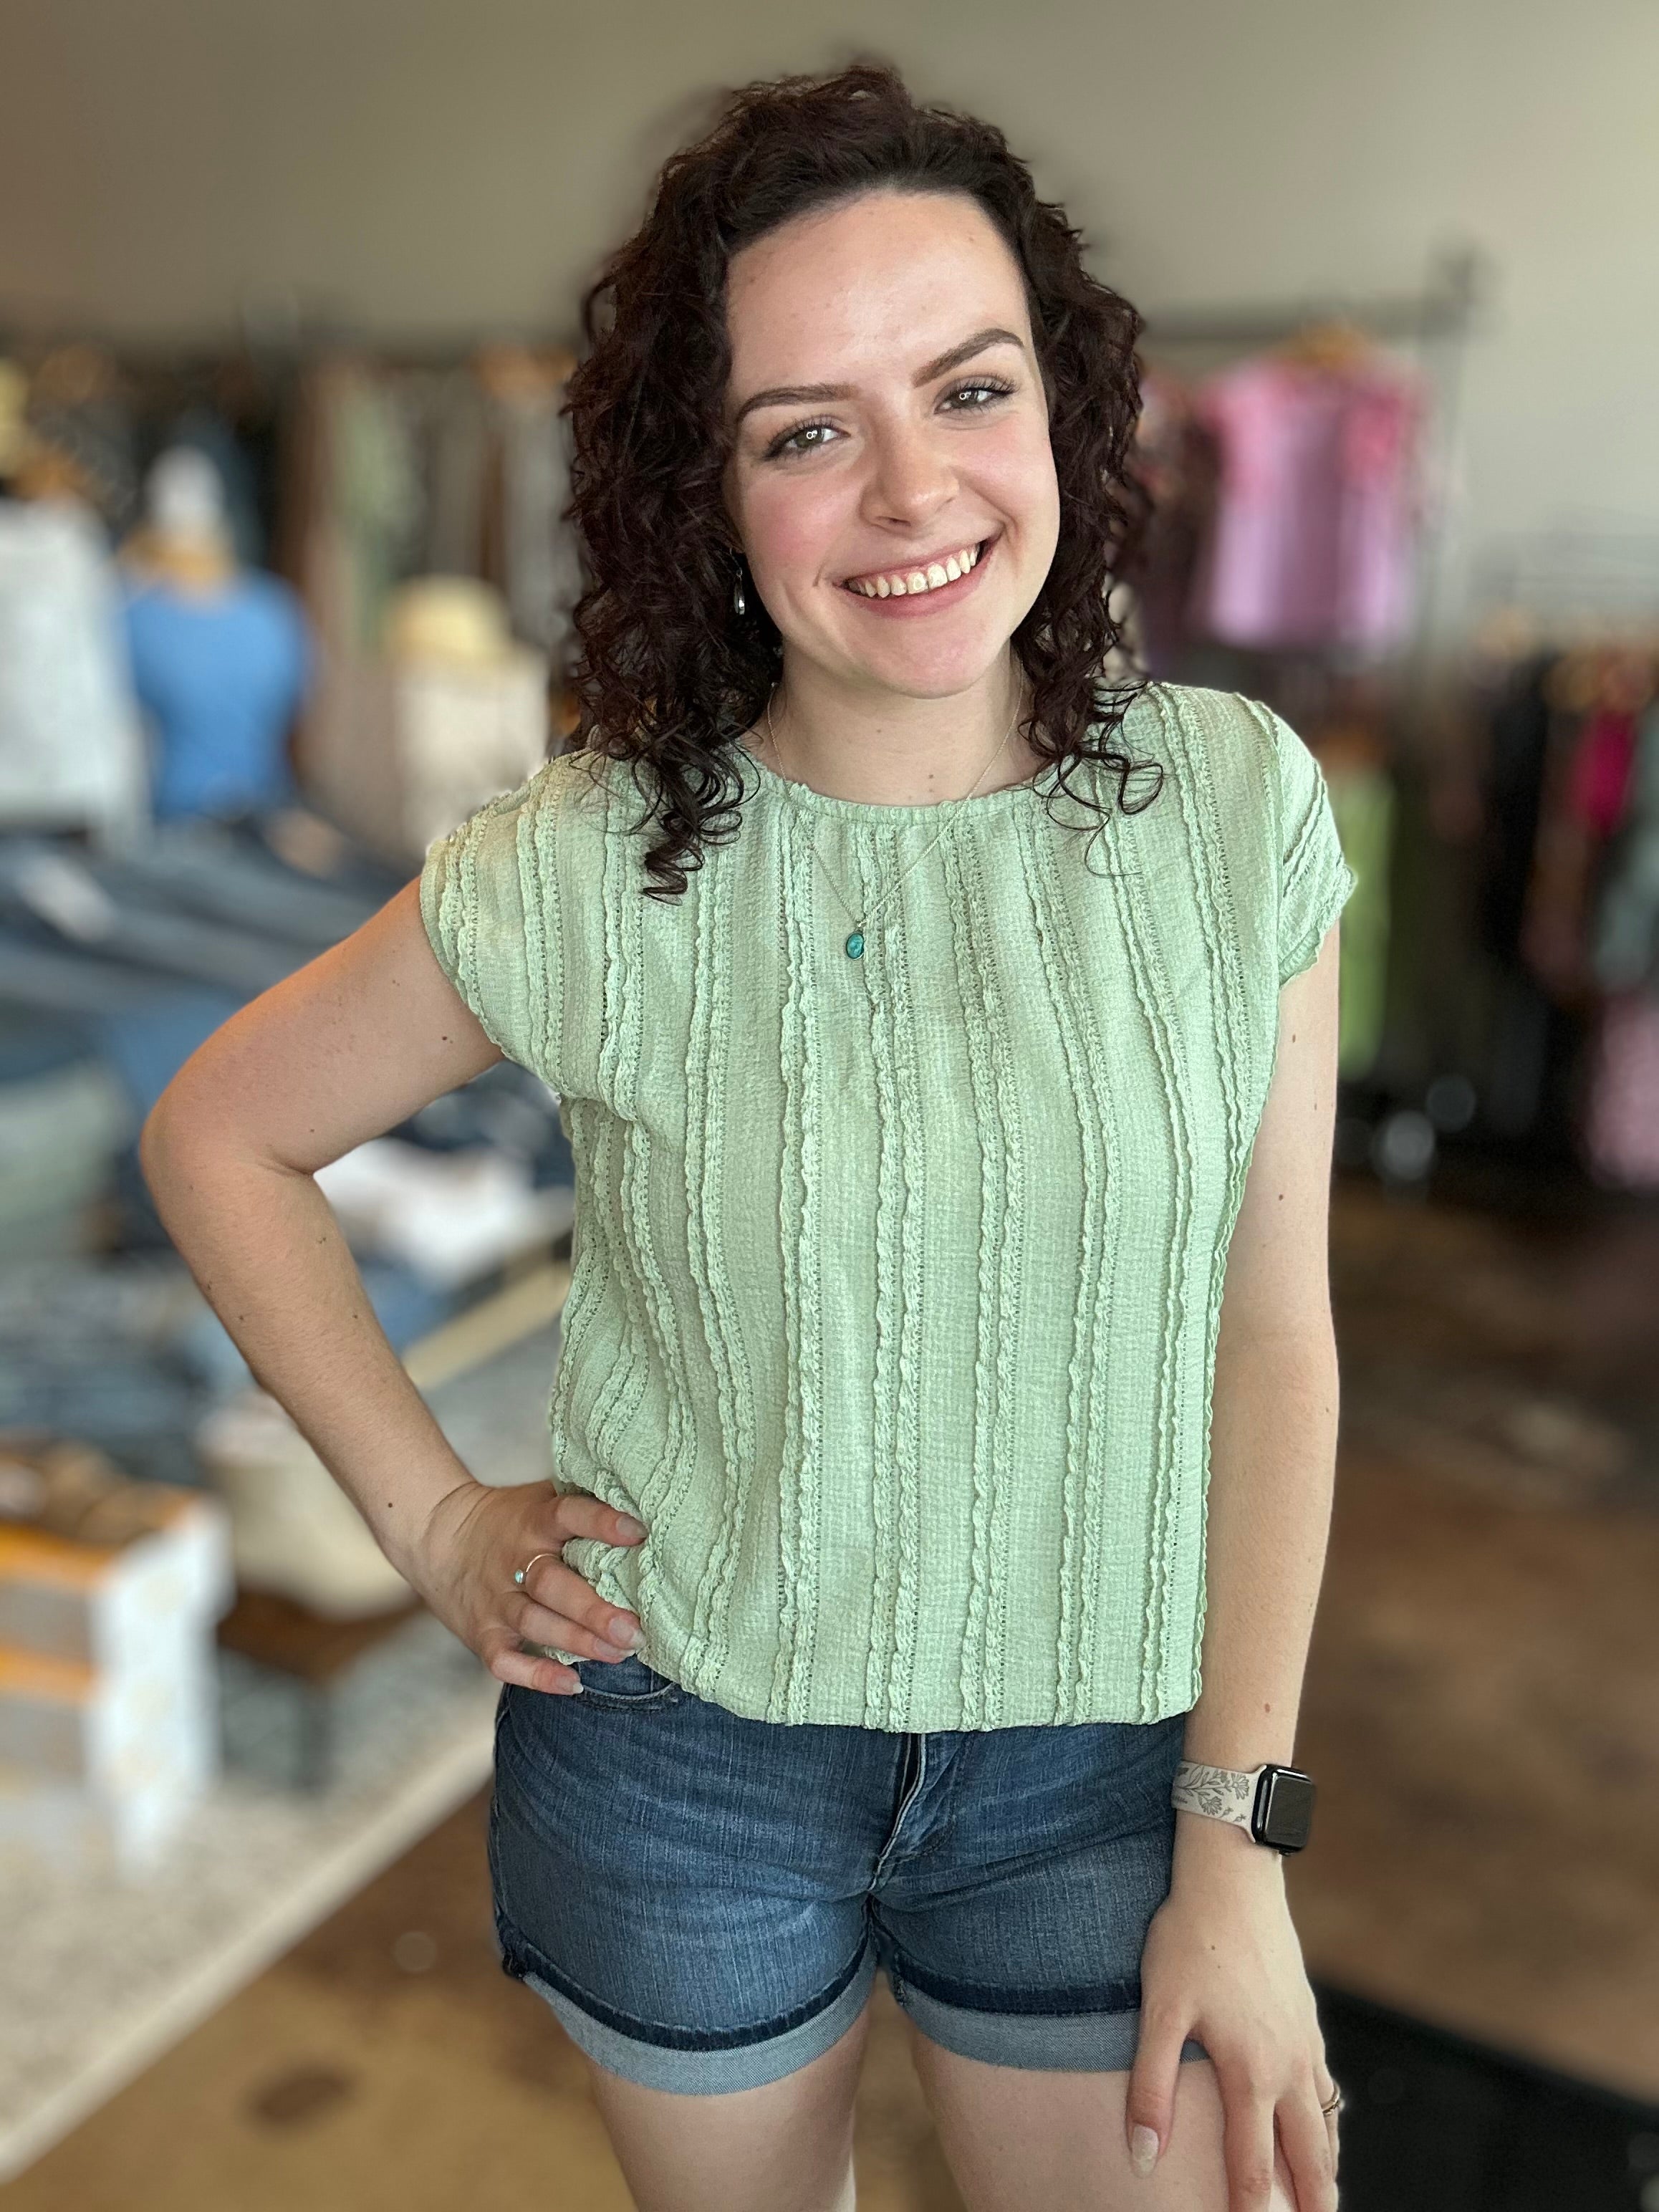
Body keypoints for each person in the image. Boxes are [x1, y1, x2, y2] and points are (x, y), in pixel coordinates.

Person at [141, 62, 1355, 2212]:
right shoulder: (590, 863)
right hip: (681, 1764)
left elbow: (1271, 1336)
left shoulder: (1231, 811)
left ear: (1061, 408)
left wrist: (1237, 1844)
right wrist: (433, 1522)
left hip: (1111, 1765)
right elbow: (220, 1135)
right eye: (806, 432)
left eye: (968, 390)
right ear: (707, 495)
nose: (911, 490)